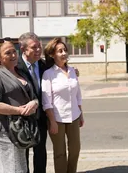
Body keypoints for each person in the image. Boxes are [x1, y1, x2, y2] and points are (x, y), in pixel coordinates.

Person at [0, 32, 48, 173]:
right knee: (12, 168)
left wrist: (34, 103)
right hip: (5, 130)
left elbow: (32, 94)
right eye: (8, 53)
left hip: (21, 127)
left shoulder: (18, 71)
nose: (13, 55)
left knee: (19, 167)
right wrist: (20, 111)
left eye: (13, 51)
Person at [42, 37, 84, 173]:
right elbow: (46, 100)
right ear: (52, 54)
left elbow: (77, 94)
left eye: (65, 50)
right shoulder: (48, 74)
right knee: (60, 153)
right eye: (60, 51)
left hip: (74, 116)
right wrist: (52, 121)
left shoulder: (72, 71)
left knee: (75, 149)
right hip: (57, 119)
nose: (64, 53)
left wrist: (81, 113)